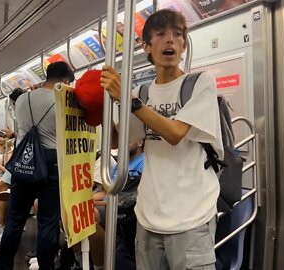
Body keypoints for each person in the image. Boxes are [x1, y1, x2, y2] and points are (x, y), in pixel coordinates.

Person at [100, 9, 223, 269]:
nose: (171, 40)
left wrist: (129, 101)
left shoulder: (199, 83)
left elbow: (175, 133)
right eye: (161, 34)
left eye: (178, 35)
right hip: (148, 218)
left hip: (191, 218)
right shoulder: (142, 93)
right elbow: (119, 141)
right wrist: (98, 108)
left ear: (184, 44)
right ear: (146, 45)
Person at [0, 61, 75, 270]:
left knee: (14, 221)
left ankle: (3, 266)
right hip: (52, 161)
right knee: (48, 222)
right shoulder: (64, 101)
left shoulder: (22, 99)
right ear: (65, 81)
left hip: (25, 160)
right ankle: (45, 266)